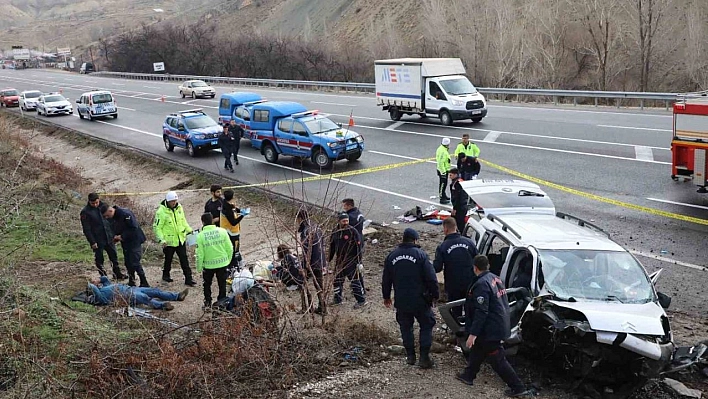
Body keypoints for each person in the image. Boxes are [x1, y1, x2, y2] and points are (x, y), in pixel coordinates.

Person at [456, 255, 533, 397]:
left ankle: (518, 388)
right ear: (488, 266)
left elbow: (481, 311)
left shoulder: (480, 285)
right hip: (499, 323)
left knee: (498, 359)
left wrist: (473, 334)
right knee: (478, 350)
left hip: (490, 329)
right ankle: (468, 376)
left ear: (475, 268)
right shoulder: (495, 279)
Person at [382, 228, 439, 369]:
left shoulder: (392, 256)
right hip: (420, 299)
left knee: (405, 327)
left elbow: (386, 279)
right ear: (415, 240)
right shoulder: (421, 255)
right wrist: (435, 295)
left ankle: (410, 356)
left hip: (401, 299)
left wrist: (386, 296)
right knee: (426, 324)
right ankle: (424, 357)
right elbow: (431, 278)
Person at [433, 217, 477, 319]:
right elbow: (478, 261)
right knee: (470, 308)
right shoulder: (469, 243)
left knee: (456, 309)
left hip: (453, 284)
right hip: (470, 282)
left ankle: (458, 330)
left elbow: (437, 268)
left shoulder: (442, 247)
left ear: (445, 229)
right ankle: (470, 329)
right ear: (456, 227)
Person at [100, 204, 150, 288]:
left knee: (135, 261)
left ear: (110, 211)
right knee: (127, 262)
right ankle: (132, 280)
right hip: (126, 242)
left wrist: (122, 236)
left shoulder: (125, 214)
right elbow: (115, 229)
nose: (107, 218)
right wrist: (115, 238)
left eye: (107, 216)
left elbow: (133, 227)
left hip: (135, 240)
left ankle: (144, 281)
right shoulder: (112, 218)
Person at [153, 191, 196, 286]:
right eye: (172, 201)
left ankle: (189, 278)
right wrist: (161, 240)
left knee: (184, 259)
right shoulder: (161, 212)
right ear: (168, 201)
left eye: (175, 201)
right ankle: (166, 275)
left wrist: (189, 230)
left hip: (180, 238)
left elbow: (183, 221)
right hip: (169, 242)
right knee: (168, 259)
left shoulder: (179, 208)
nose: (174, 203)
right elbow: (157, 227)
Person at [80, 193, 126, 280]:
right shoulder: (85, 212)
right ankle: (103, 276)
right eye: (93, 203)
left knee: (114, 256)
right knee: (99, 259)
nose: (95, 205)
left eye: (97, 202)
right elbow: (86, 229)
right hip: (97, 239)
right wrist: (92, 242)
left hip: (109, 236)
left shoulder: (104, 206)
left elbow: (111, 220)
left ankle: (117, 274)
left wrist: (115, 233)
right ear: (89, 202)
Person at [195, 212, 233, 308]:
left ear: (202, 222)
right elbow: (230, 248)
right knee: (222, 285)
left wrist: (199, 267)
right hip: (223, 263)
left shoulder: (200, 236)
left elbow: (200, 254)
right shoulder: (222, 231)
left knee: (207, 285)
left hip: (208, 266)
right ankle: (222, 303)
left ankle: (208, 303)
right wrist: (228, 260)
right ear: (212, 220)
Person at [329, 213, 366, 308]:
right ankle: (337, 299)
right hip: (340, 261)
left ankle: (361, 300)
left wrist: (359, 262)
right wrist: (328, 260)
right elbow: (332, 247)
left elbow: (358, 248)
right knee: (337, 281)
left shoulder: (352, 231)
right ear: (339, 221)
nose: (346, 223)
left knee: (354, 281)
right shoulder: (335, 232)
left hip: (351, 261)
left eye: (347, 221)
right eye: (343, 221)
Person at [88, 276, 188, 310]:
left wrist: (98, 280)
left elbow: (104, 279)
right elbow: (92, 287)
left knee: (154, 291)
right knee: (144, 297)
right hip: (126, 296)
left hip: (131, 289)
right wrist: (89, 283)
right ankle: (162, 306)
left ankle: (177, 296)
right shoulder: (100, 297)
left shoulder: (105, 286)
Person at [297, 209, 327, 314]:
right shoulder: (317, 227)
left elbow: (307, 251)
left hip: (312, 262)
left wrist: (304, 266)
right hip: (320, 259)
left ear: (300, 218)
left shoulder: (306, 231)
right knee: (319, 284)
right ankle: (323, 307)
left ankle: (306, 307)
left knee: (301, 283)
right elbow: (323, 242)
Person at [276, 244, 311, 313]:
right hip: (302, 275)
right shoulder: (293, 256)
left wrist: (277, 267)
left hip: (296, 277)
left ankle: (304, 308)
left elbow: (284, 270)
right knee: (305, 292)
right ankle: (308, 307)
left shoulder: (286, 258)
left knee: (279, 273)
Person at [342, 198, 367, 292]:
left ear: (348, 206)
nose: (344, 208)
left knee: (355, 267)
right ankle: (357, 285)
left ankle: (360, 288)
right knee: (357, 265)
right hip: (360, 238)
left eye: (344, 206)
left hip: (353, 243)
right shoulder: (358, 213)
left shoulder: (350, 217)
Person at [220, 189, 245, 271]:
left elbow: (234, 209)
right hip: (232, 233)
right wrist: (242, 215)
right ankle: (234, 268)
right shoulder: (227, 209)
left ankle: (238, 263)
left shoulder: (226, 203)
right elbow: (233, 222)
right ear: (232, 197)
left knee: (234, 250)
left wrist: (239, 211)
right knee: (234, 251)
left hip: (228, 231)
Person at [449, 167, 469, 233]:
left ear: (455, 175)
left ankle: (460, 233)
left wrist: (455, 208)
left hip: (460, 206)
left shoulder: (457, 184)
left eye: (451, 175)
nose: (449, 177)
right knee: (459, 221)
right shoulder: (460, 181)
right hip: (463, 205)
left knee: (458, 222)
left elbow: (457, 197)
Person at [436, 137, 452, 204]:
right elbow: (440, 162)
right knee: (442, 184)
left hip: (444, 170)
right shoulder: (443, 151)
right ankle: (442, 198)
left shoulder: (442, 149)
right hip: (443, 171)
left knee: (444, 184)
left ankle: (444, 195)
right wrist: (443, 172)